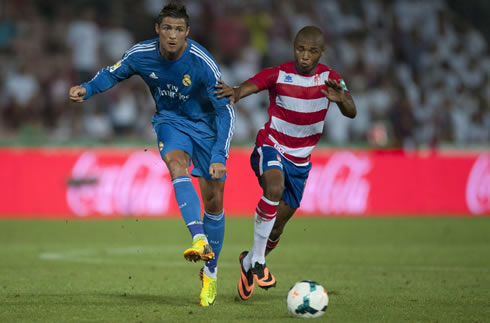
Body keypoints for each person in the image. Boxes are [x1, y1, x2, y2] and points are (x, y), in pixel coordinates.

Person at [69, 3, 235, 306]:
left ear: (187, 33)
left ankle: (210, 273)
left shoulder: (202, 63)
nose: (172, 35)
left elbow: (226, 111)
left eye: (179, 30)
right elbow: (113, 74)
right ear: (158, 29)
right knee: (175, 164)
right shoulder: (140, 54)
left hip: (207, 127)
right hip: (170, 121)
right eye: (167, 28)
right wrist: (88, 89)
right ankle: (198, 238)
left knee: (214, 202)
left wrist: (219, 156)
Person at [215, 26, 356, 300]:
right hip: (272, 146)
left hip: (301, 162)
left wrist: (341, 101)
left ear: (321, 52)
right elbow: (248, 86)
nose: (304, 56)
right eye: (300, 49)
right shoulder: (279, 73)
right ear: (294, 48)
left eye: (311, 51)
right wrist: (235, 93)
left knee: (277, 228)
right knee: (274, 187)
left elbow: (352, 110)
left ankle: (249, 262)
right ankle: (258, 262)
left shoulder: (331, 79)